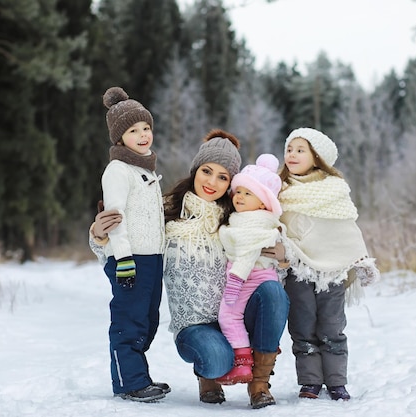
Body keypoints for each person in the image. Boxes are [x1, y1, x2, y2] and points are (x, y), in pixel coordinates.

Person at [90, 130, 289, 409]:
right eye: (207, 171)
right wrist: (99, 234)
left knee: (274, 293)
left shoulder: (239, 217)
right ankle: (208, 376)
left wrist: (282, 255)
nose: (212, 182)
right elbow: (124, 243)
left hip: (234, 314)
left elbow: (269, 265)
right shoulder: (166, 213)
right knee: (218, 359)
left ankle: (259, 384)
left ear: (231, 184)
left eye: (223, 177)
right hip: (194, 325)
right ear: (196, 169)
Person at [277, 127, 379, 401]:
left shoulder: (333, 191)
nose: (292, 154)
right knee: (302, 327)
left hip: (332, 273)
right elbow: (274, 226)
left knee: (332, 327)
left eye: (301, 150)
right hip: (296, 269)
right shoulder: (279, 190)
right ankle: (310, 381)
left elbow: (346, 229)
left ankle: (336, 381)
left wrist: (361, 259)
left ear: (317, 157)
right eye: (289, 149)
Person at [92, 86, 169, 402]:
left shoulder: (146, 170)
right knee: (130, 322)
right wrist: (123, 258)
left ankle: (139, 377)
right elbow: (114, 218)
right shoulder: (118, 170)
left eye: (146, 128)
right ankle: (129, 382)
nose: (142, 135)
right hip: (130, 258)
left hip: (151, 258)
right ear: (119, 137)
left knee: (149, 320)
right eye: (133, 130)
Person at [215, 153, 287, 385]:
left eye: (249, 193)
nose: (240, 197)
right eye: (239, 192)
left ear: (264, 201)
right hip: (257, 275)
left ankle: (243, 362)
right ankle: (251, 359)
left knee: (228, 315)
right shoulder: (254, 218)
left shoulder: (252, 222)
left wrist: (235, 281)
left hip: (248, 276)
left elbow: (247, 253)